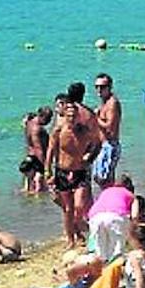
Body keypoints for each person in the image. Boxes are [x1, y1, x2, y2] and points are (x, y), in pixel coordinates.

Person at [46, 97, 102, 249]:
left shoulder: (83, 130)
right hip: (62, 171)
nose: (71, 119)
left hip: (80, 171)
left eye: (73, 116)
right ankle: (71, 239)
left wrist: (89, 157)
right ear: (64, 115)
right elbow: (50, 150)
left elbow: (97, 143)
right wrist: (47, 171)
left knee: (79, 206)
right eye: (68, 116)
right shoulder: (59, 131)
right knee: (68, 209)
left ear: (77, 116)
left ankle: (80, 226)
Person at [88, 174, 136, 260]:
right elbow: (135, 216)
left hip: (95, 217)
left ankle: (102, 269)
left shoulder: (105, 192)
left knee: (100, 252)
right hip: (115, 216)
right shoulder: (129, 194)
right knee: (117, 251)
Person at [93, 73, 123, 187]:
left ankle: (111, 201)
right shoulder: (104, 102)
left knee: (105, 180)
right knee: (98, 177)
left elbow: (110, 127)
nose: (99, 90)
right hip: (103, 145)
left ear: (109, 87)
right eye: (97, 87)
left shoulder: (112, 103)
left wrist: (95, 118)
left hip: (110, 145)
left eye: (102, 87)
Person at [20, 106, 52, 194]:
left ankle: (28, 204)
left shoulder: (29, 123)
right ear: (41, 116)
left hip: (29, 157)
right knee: (39, 187)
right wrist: (45, 167)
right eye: (48, 118)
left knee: (28, 186)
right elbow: (38, 149)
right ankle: (39, 204)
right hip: (37, 159)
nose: (49, 121)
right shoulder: (37, 129)